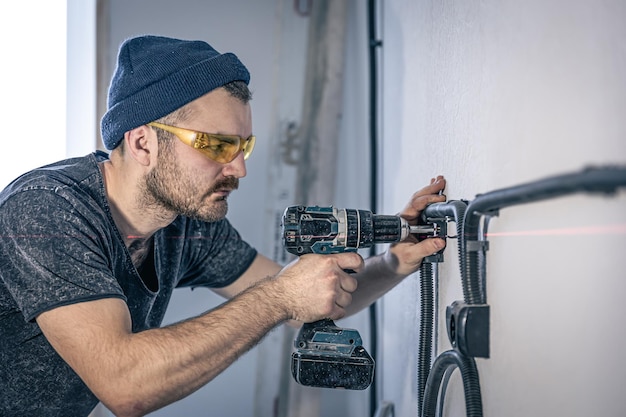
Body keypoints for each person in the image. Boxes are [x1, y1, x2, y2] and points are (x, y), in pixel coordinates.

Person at [0, 35, 447, 417]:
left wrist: (393, 260)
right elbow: (125, 385)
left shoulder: (186, 223)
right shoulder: (45, 212)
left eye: (243, 147)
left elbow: (313, 300)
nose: (238, 169)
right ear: (142, 143)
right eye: (216, 145)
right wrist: (279, 297)